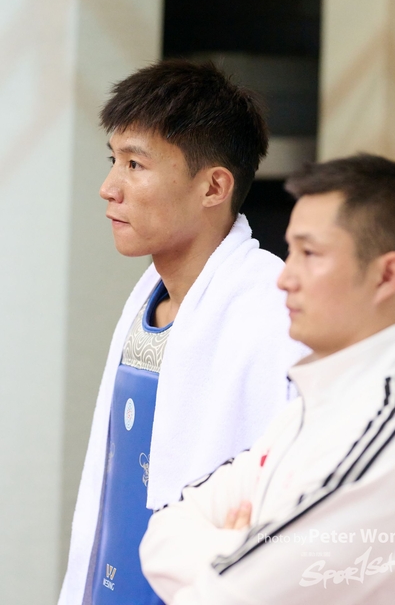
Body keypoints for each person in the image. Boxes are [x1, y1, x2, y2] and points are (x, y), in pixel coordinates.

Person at [58, 59, 307, 605]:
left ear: (214, 186)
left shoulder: (274, 315)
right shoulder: (149, 297)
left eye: (135, 164)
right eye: (113, 160)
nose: (109, 188)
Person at [141, 153, 395, 604]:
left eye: (310, 254)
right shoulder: (311, 408)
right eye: (290, 251)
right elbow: (161, 534)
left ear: (386, 275)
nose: (285, 278)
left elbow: (228, 597)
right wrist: (246, 548)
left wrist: (238, 551)